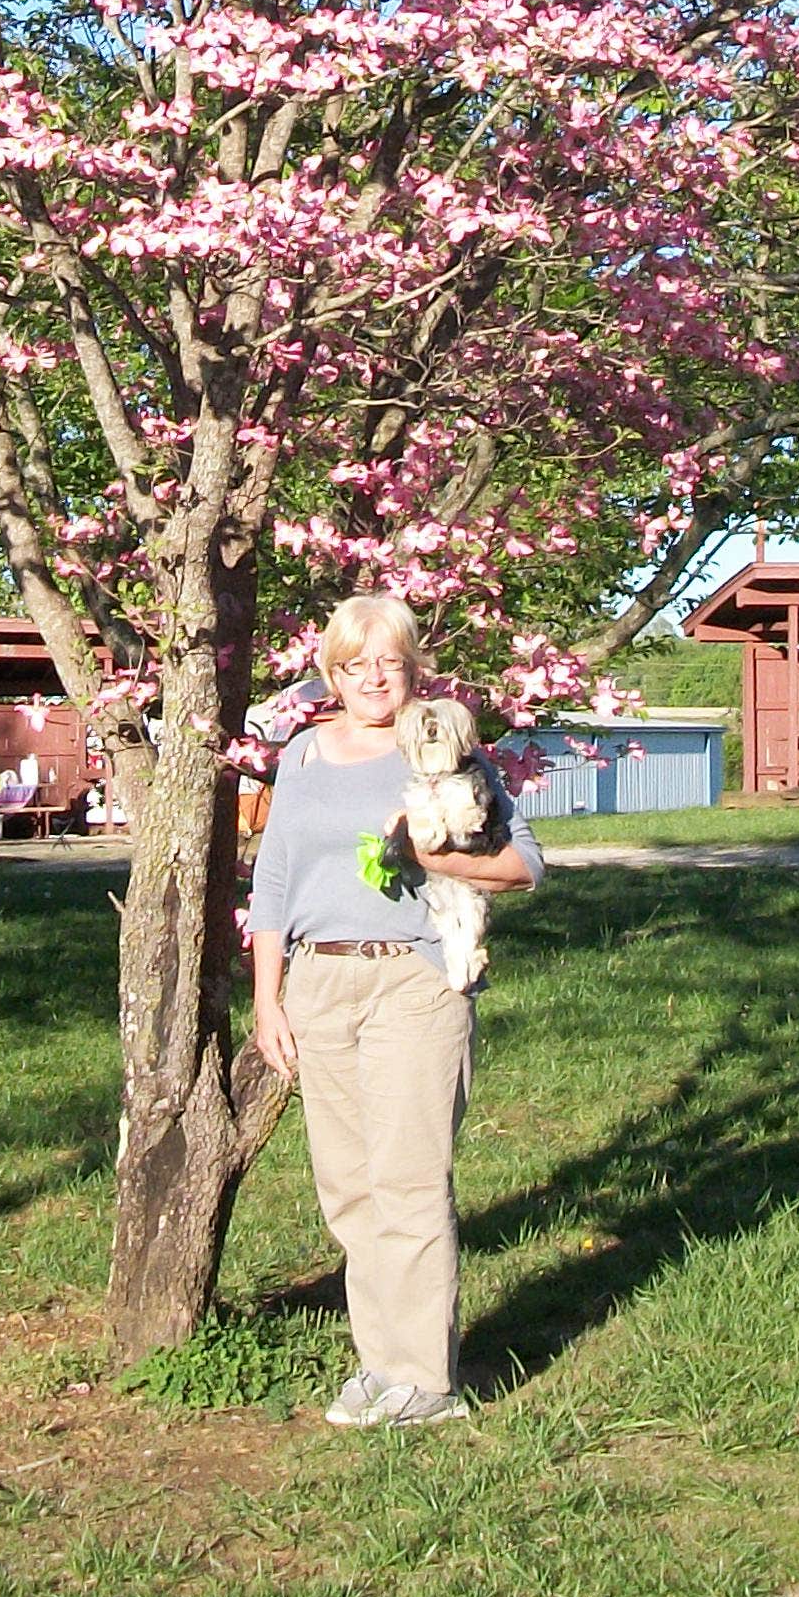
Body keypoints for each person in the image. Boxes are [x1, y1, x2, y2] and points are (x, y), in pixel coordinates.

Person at [247, 593, 541, 1427]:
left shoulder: (443, 748)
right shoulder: (302, 755)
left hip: (414, 980)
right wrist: (267, 995)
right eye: (355, 665)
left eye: (390, 662)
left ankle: (425, 1380)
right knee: (347, 1187)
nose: (374, 678)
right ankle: (380, 1366)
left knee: (407, 1179)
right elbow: (274, 880)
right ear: (332, 674)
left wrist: (431, 852)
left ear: (414, 667)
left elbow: (526, 867)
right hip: (319, 982)